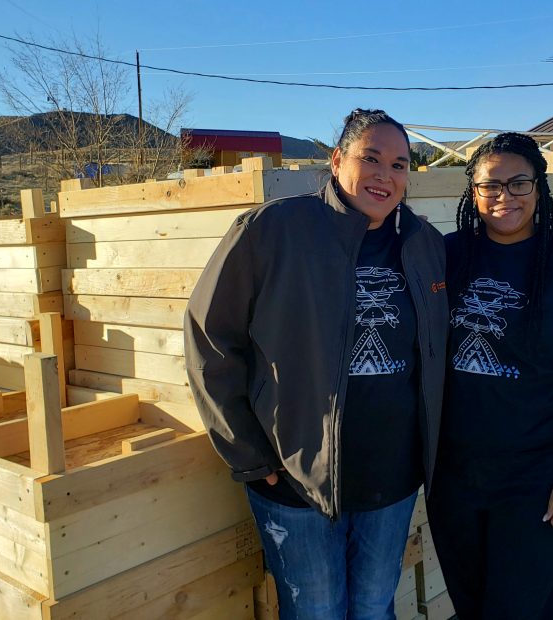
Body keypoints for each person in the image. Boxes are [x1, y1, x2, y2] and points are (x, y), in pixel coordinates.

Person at [184, 109, 448, 620]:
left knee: (374, 607)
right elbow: (209, 340)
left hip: (391, 478)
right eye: (370, 158)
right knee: (316, 612)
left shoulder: (424, 245)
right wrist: (250, 455)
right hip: (295, 477)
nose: (384, 175)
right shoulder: (273, 231)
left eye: (399, 164)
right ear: (336, 160)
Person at [427, 133, 553, 619]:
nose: (505, 196)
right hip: (453, 478)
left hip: (536, 477)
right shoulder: (446, 255)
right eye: (490, 185)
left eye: (519, 183)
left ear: (539, 188)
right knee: (472, 607)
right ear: (472, 192)